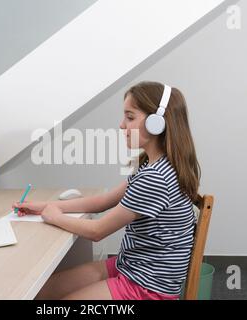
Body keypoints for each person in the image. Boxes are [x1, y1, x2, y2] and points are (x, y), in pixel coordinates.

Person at [12, 81, 201, 300]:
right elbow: (101, 202)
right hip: (130, 267)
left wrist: (53, 216)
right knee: (43, 292)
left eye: (130, 117)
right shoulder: (154, 166)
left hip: (146, 289)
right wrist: (45, 207)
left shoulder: (155, 178)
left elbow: (97, 231)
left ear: (156, 123)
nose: (122, 125)